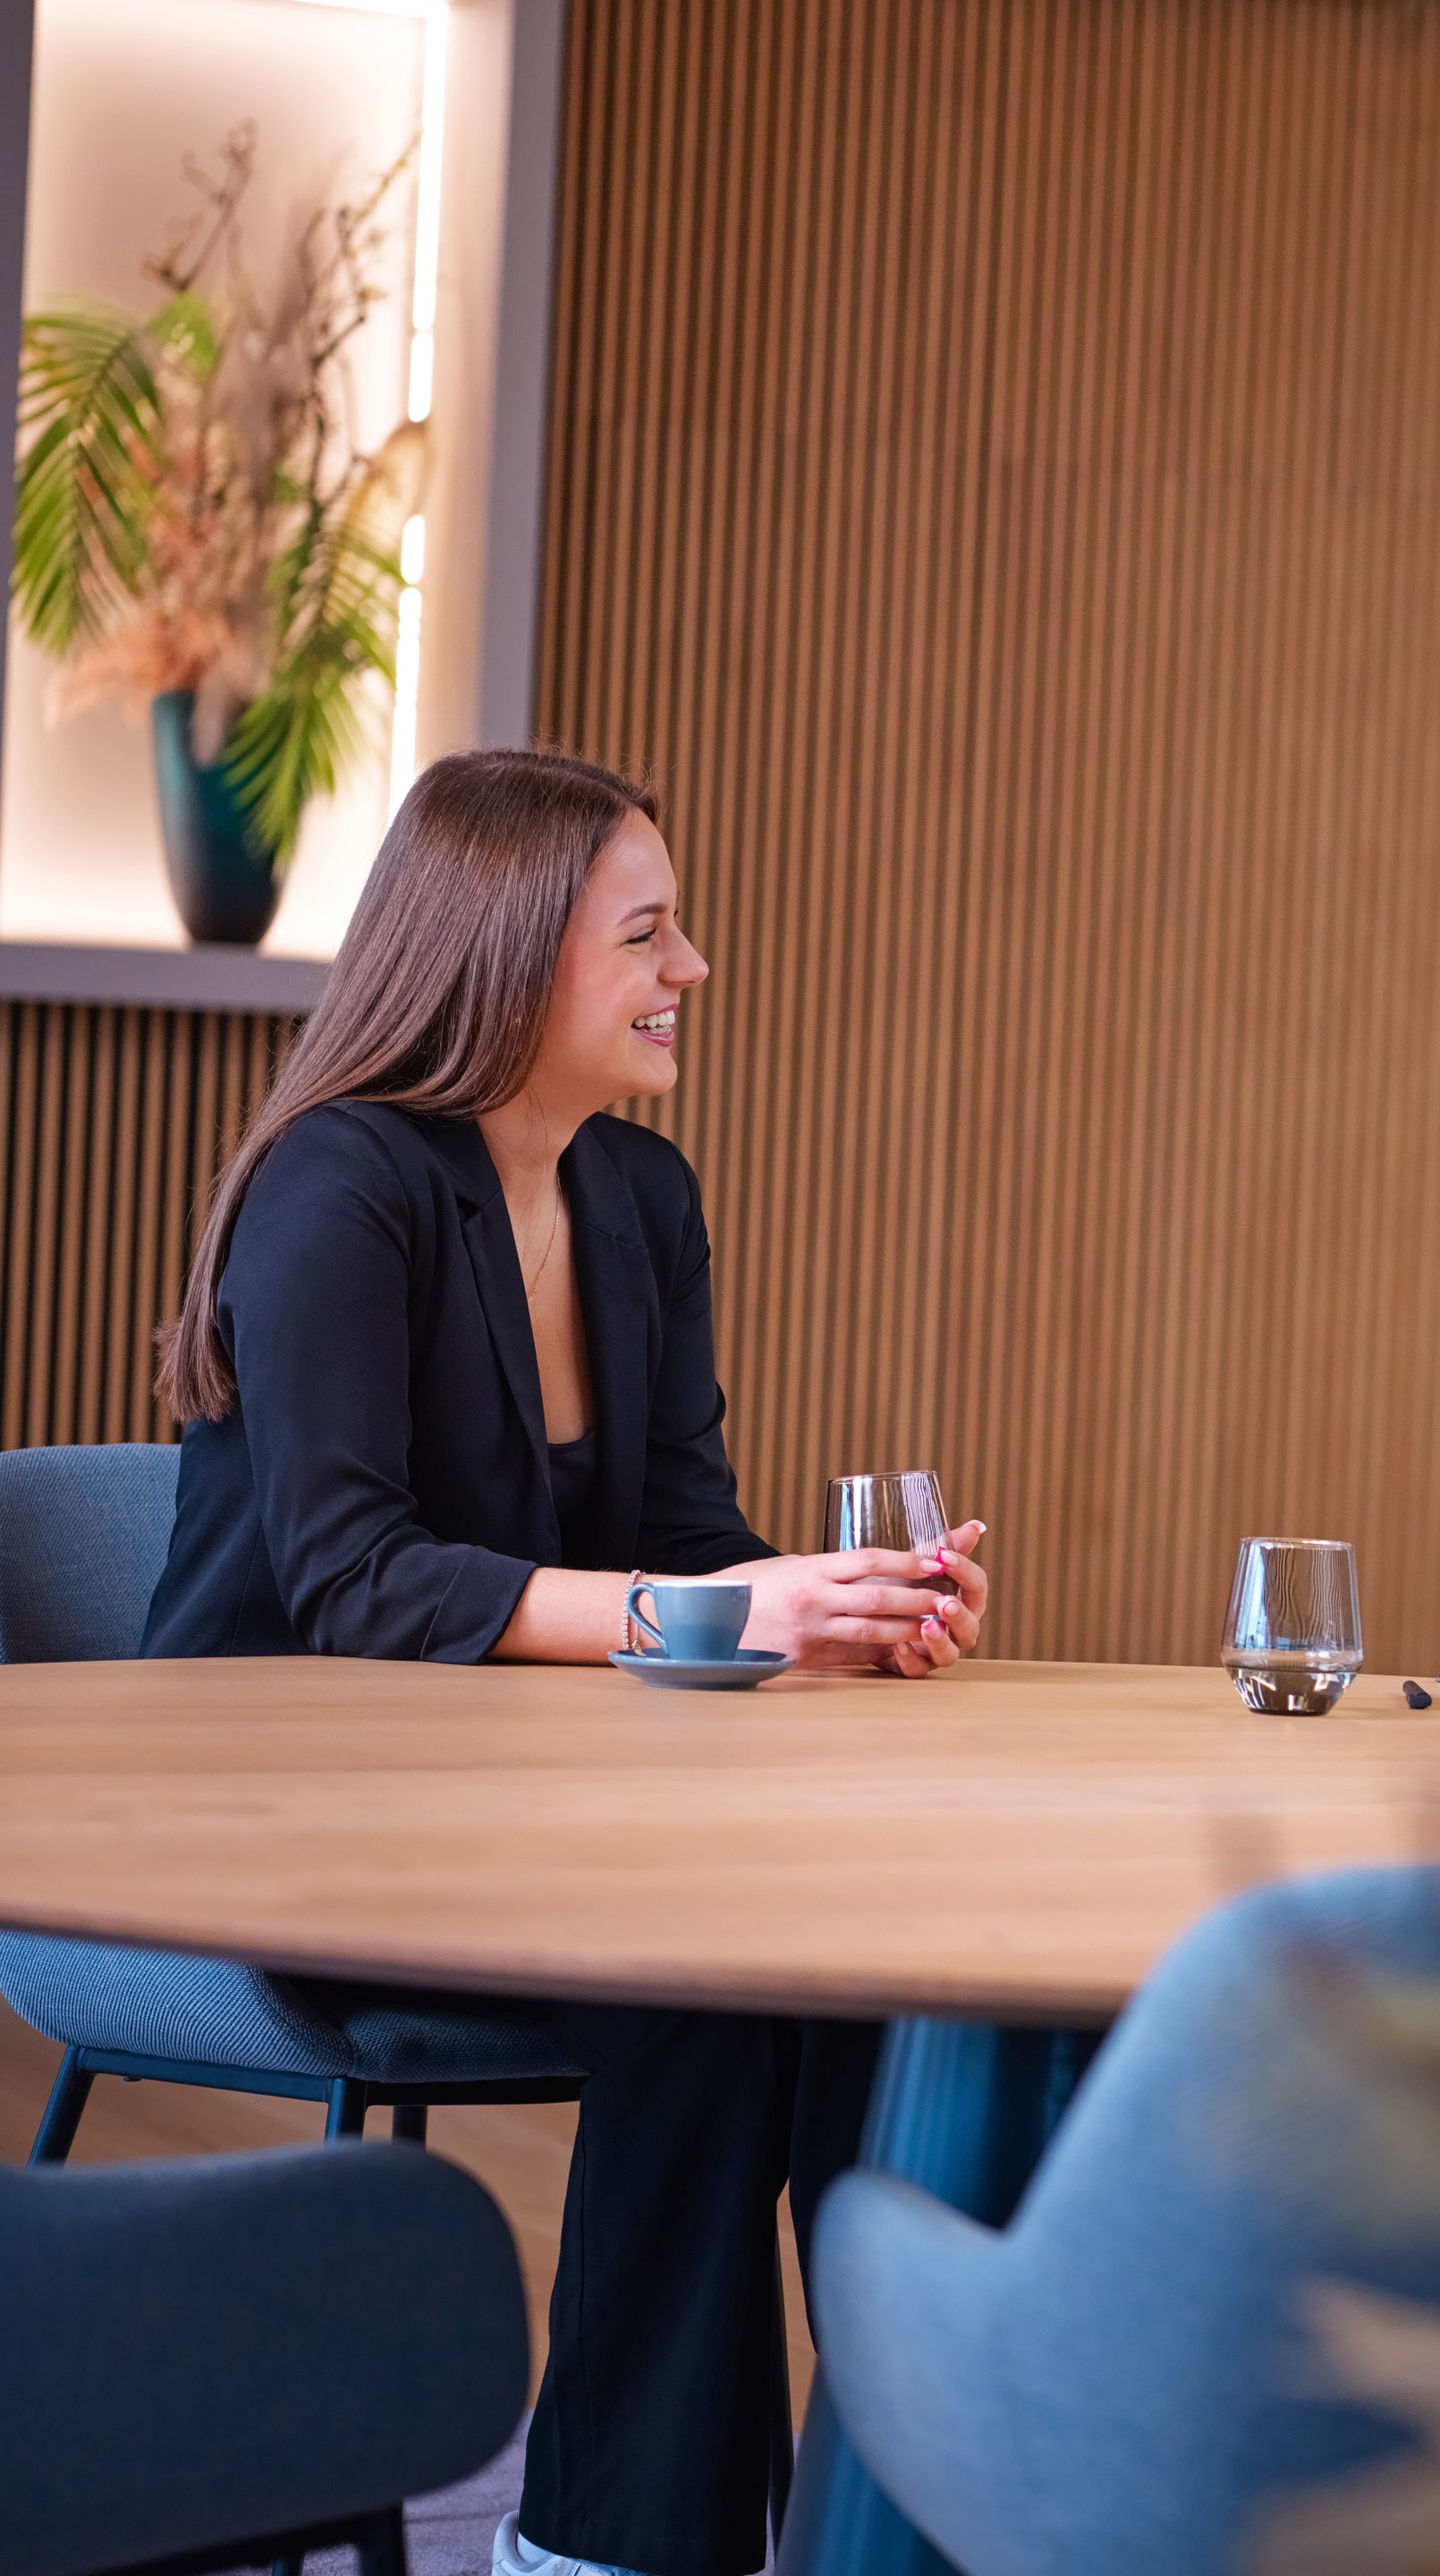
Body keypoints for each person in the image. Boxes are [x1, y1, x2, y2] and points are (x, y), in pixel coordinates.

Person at [142, 748, 993, 2576]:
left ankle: (903, 2508)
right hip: (266, 1815)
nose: (691, 968)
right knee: (707, 1973)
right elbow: (355, 1584)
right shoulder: (337, 1188)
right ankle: (607, 2551)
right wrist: (726, 1617)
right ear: (513, 953)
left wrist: (836, 1603)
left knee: (874, 1961)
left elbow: (687, 1539)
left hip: (526, 1814)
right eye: (649, 932)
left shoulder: (640, 1200)